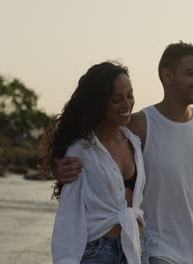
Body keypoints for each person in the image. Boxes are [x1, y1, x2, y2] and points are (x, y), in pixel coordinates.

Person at [54, 42, 193, 264]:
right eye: (192, 73)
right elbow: (95, 145)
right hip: (159, 251)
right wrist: (58, 166)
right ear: (167, 75)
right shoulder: (139, 126)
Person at [40, 61, 148, 264]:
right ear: (99, 102)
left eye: (130, 96)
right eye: (116, 99)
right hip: (98, 252)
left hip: (136, 246)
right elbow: (69, 214)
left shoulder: (133, 141)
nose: (126, 105)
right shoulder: (82, 149)